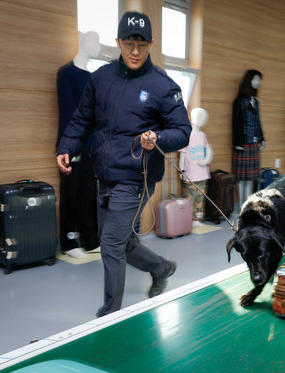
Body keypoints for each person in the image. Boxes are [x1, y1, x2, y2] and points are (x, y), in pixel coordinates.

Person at [56, 11, 191, 317]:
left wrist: (158, 136)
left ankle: (109, 316)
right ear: (117, 41)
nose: (134, 51)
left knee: (111, 245)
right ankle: (161, 267)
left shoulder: (162, 85)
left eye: (141, 44)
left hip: (136, 177)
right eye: (128, 43)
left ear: (151, 44)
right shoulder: (100, 78)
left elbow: (182, 131)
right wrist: (67, 145)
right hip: (104, 174)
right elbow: (82, 118)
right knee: (115, 242)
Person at [56, 31, 101, 259]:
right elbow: (68, 114)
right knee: (70, 195)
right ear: (83, 42)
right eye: (95, 41)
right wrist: (68, 147)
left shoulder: (92, 77)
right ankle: (69, 243)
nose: (99, 46)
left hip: (91, 147)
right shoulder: (66, 73)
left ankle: (91, 240)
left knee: (89, 194)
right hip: (72, 145)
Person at [232, 69, 265, 209]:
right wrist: (237, 142)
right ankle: (240, 205)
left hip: (254, 144)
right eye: (255, 79)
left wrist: (262, 139)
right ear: (249, 81)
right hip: (243, 144)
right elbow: (236, 122)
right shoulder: (239, 101)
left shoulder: (255, 102)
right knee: (241, 179)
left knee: (251, 178)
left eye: (258, 80)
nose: (258, 83)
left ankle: (247, 204)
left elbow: (258, 122)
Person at [179, 108, 213, 227]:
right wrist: (181, 170)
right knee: (189, 198)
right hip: (190, 174)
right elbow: (182, 155)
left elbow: (209, 151)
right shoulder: (187, 135)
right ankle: (187, 220)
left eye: (202, 117)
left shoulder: (204, 136)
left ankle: (197, 219)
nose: (200, 119)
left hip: (202, 174)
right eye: (198, 116)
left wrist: (206, 161)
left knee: (200, 198)